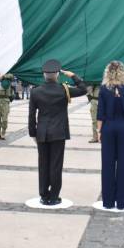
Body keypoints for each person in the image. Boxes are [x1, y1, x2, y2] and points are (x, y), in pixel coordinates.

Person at [28, 60, 87, 205]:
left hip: (42, 133)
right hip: (58, 133)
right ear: (57, 75)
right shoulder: (63, 90)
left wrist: (33, 133)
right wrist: (73, 75)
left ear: (44, 75)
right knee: (55, 165)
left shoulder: (35, 91)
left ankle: (44, 195)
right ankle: (54, 197)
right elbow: (84, 89)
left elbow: (31, 115)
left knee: (43, 165)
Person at [97, 61, 124, 210]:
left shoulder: (103, 89)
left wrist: (98, 131)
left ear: (107, 73)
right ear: (123, 72)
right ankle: (121, 202)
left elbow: (100, 114)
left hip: (108, 127)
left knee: (107, 164)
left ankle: (108, 202)